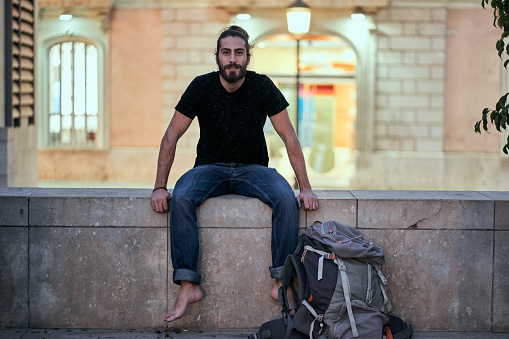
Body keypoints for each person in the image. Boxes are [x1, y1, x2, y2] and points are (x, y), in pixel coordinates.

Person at [151, 25, 319, 323]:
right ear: (217, 56)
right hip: (209, 169)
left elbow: (289, 138)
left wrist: (305, 187)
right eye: (226, 52)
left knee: (284, 196)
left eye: (238, 53)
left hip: (253, 169)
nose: (232, 59)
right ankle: (189, 285)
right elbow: (170, 136)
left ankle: (281, 282)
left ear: (247, 58)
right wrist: (159, 186)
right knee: (182, 195)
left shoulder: (262, 86)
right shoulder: (201, 87)